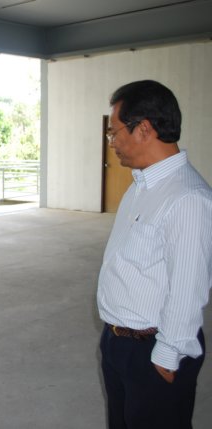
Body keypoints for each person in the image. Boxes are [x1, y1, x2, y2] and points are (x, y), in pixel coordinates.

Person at [97, 80, 212, 429]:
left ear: (144, 129)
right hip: (118, 341)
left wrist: (167, 354)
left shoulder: (187, 198)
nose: (112, 142)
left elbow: (189, 288)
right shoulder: (141, 185)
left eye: (114, 132)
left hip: (154, 350)